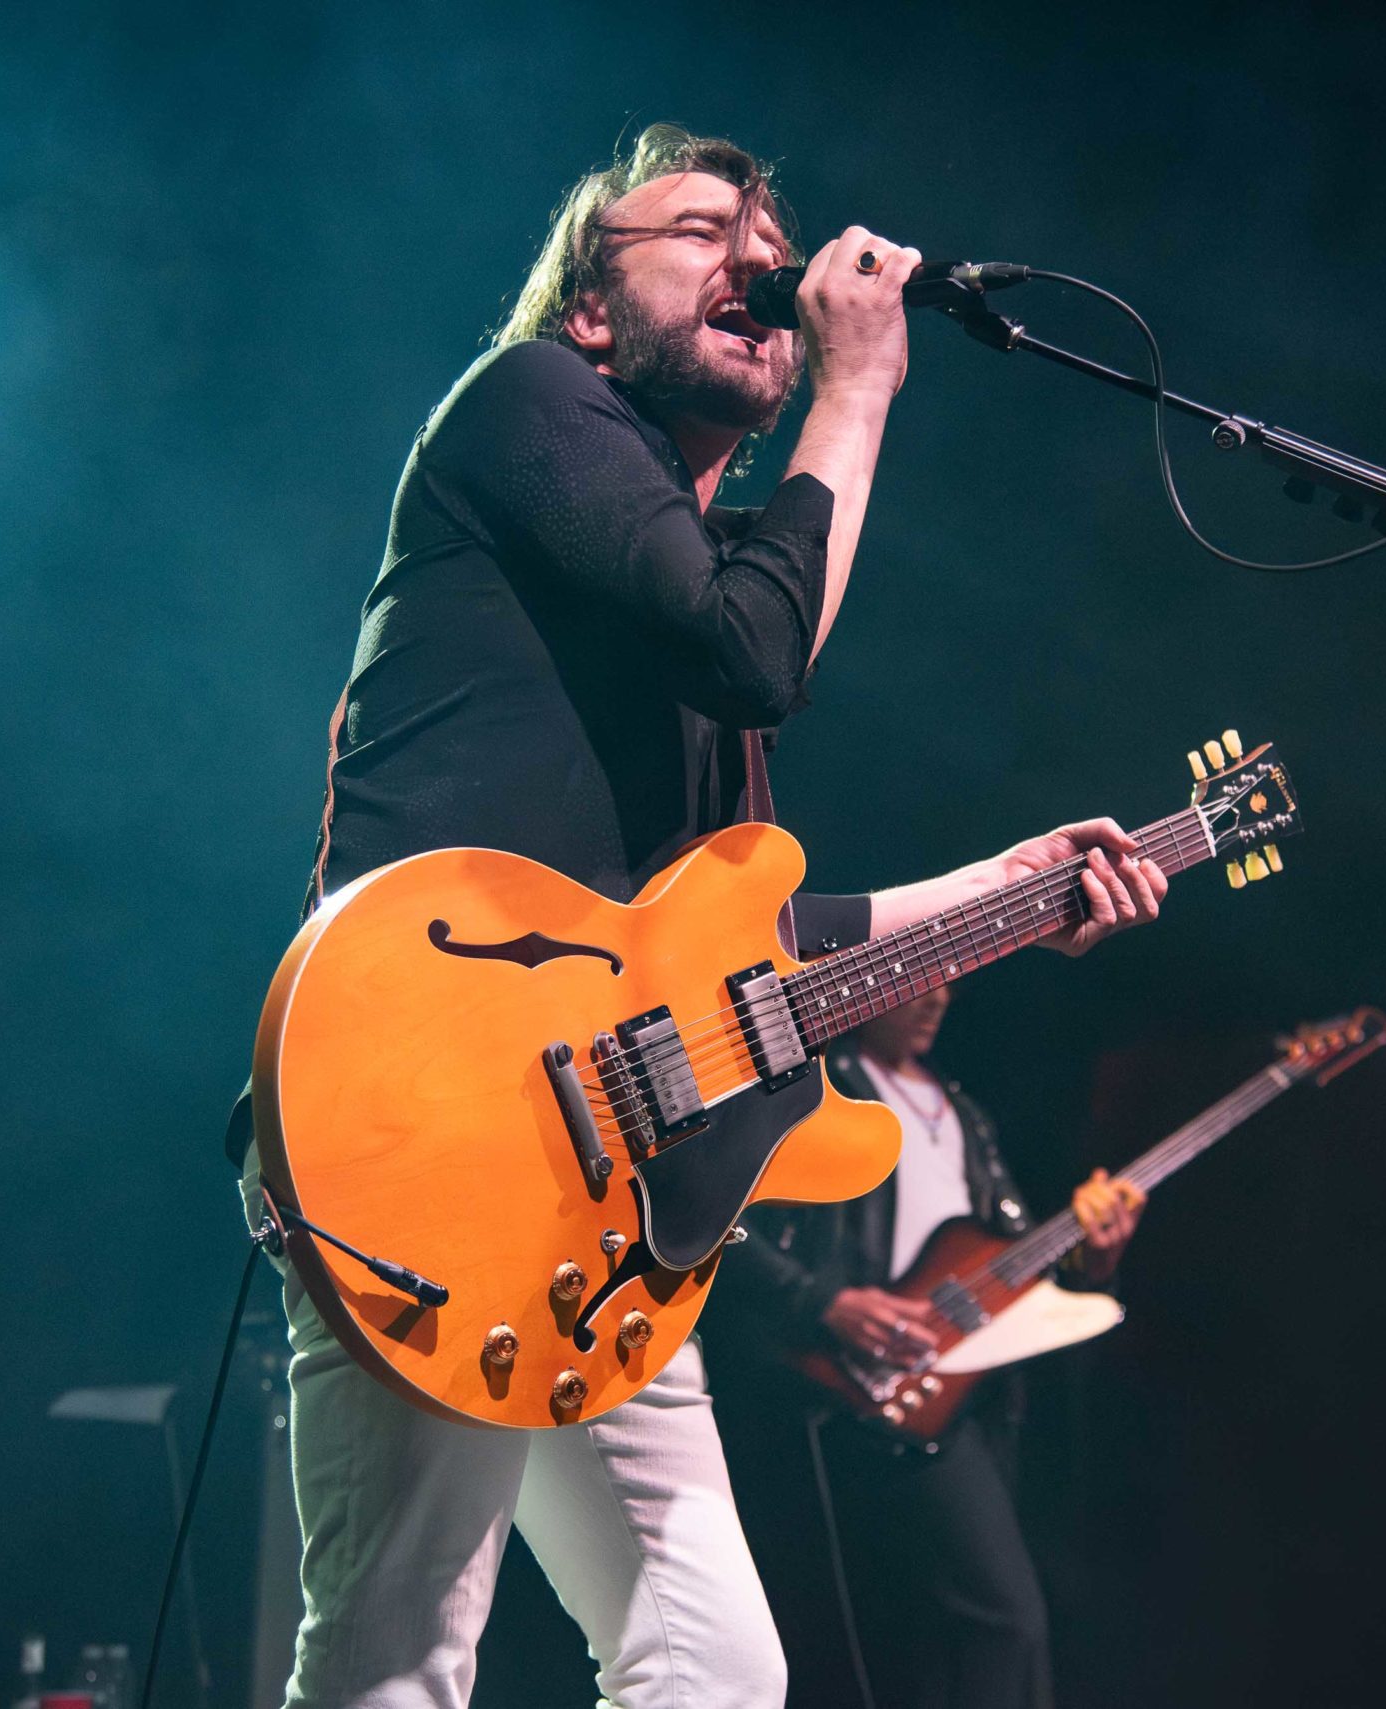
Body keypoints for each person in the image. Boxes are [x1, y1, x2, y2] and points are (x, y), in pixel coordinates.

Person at [229, 124, 1168, 1709]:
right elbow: (758, 650)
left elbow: (747, 946)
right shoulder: (529, 400)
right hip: (429, 1119)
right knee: (402, 1659)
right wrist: (860, 394)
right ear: (593, 306)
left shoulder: (695, 588)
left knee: (716, 1666)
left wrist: (1002, 893)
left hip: (602, 1205)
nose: (759, 261)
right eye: (703, 230)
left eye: (772, 246)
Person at [711, 983, 1144, 1709]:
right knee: (1004, 1622)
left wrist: (1090, 1261)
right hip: (868, 1388)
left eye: (949, 980)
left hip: (974, 1393)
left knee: (952, 1636)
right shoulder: (823, 1087)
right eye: (920, 978)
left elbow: (1006, 1253)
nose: (937, 996)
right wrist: (824, 1303)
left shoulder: (961, 1109)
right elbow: (721, 1214)